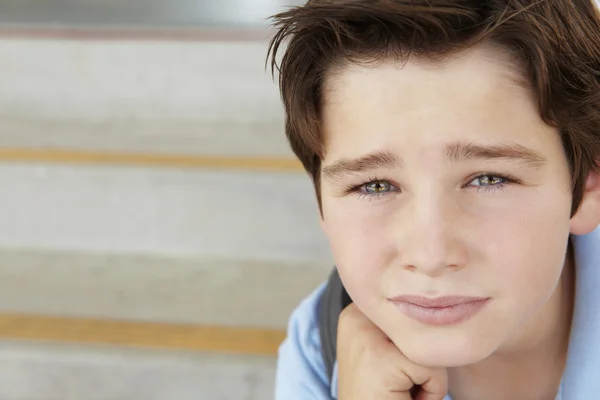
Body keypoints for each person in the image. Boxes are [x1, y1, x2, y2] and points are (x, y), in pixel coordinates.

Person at [266, 0, 600, 399]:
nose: (431, 255)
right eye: (375, 186)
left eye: (488, 179)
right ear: (321, 201)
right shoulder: (320, 346)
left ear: (588, 186)